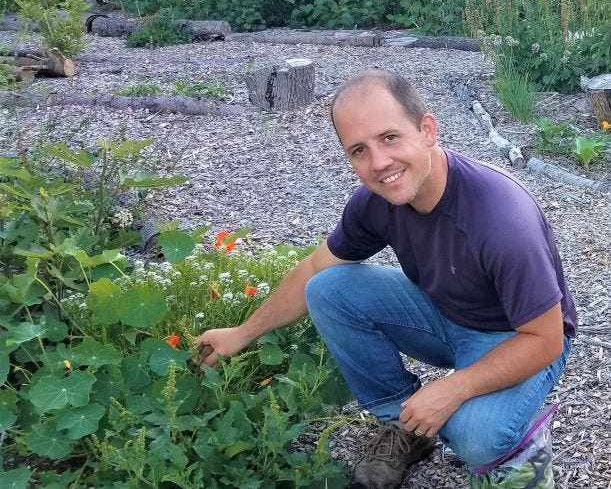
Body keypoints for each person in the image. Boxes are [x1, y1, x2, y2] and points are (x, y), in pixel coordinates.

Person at [196, 70, 576, 489]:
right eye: (359, 150)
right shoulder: (375, 202)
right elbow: (312, 268)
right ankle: (407, 428)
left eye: (390, 137)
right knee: (328, 288)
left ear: (427, 129)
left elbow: (546, 339)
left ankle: (523, 448)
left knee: (479, 438)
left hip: (520, 336)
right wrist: (242, 332)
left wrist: (455, 388)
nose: (378, 163)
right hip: (446, 313)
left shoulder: (501, 220)